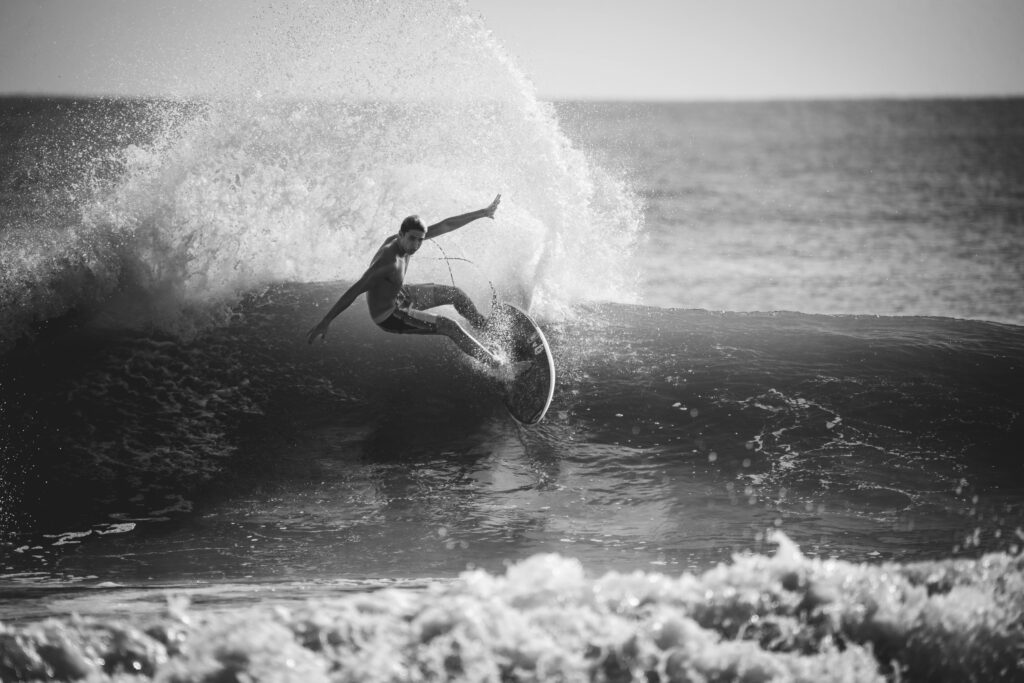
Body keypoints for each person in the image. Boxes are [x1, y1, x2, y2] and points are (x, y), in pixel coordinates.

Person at [306, 194, 505, 368]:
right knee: (449, 326)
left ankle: (485, 328)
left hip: (401, 295)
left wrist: (483, 212)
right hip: (390, 315)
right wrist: (326, 320)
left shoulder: (410, 240)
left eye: (421, 240)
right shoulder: (388, 262)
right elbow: (355, 290)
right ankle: (497, 365)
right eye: (412, 239)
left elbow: (446, 225)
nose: (417, 245)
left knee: (456, 294)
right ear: (400, 234)